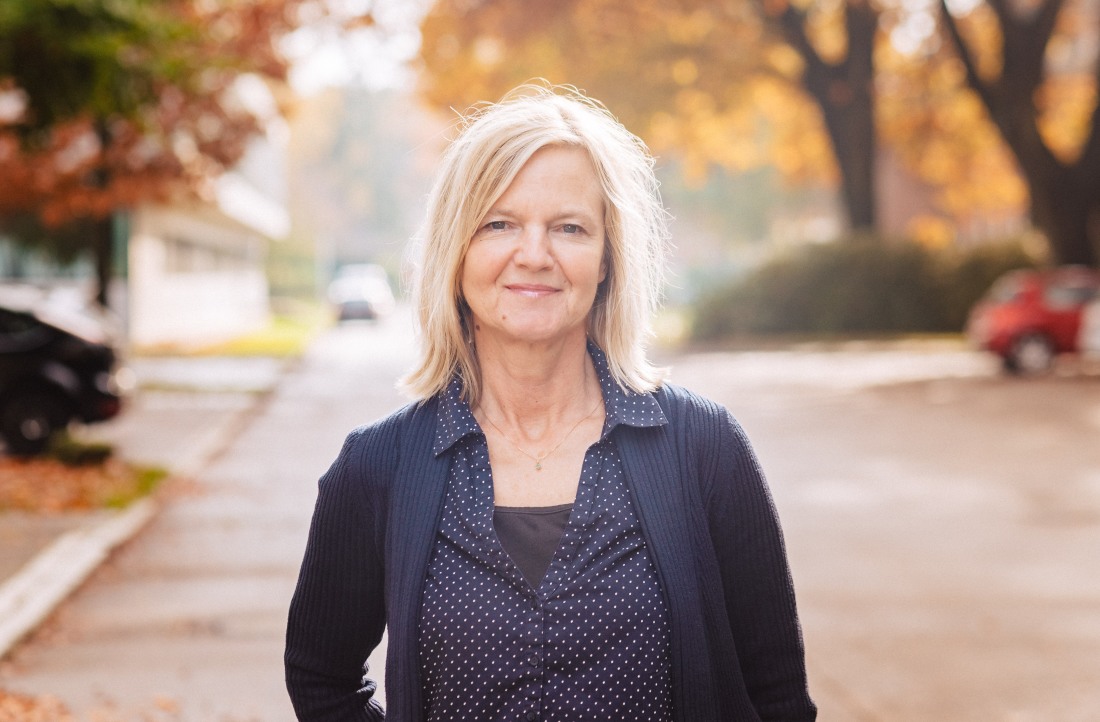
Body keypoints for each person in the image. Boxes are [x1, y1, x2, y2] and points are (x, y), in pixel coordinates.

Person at [285, 83, 817, 722]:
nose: (533, 255)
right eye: (499, 224)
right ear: (456, 252)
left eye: (568, 227)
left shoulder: (703, 448)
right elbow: (322, 678)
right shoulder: (378, 466)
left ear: (608, 259)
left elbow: (779, 697)